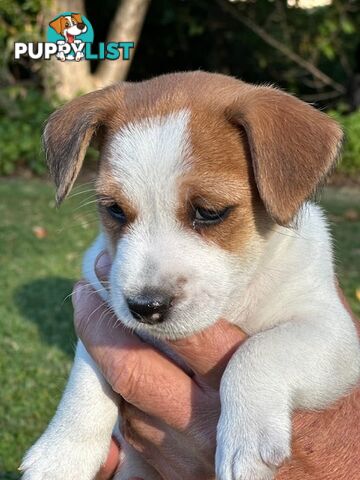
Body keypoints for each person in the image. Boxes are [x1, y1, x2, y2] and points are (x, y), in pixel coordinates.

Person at [71, 252, 360, 480]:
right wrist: (78, 433)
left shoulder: (299, 251)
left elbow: (335, 342)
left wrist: (257, 375)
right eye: (117, 212)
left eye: (207, 214)